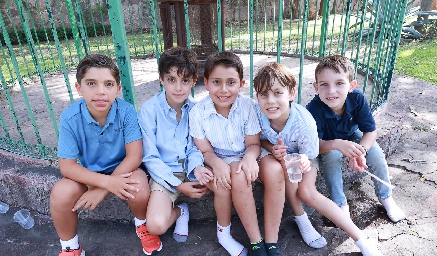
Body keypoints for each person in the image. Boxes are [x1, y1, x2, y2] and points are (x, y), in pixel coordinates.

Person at [253, 62, 383, 256]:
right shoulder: (256, 114)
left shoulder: (304, 121)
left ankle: (361, 240)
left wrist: (304, 159)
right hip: (277, 156)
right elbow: (260, 140)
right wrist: (274, 149)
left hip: (306, 153)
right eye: (263, 94)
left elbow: (311, 151)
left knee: (307, 191)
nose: (270, 101)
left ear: (291, 93)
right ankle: (302, 219)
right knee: (283, 168)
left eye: (277, 93)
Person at [50, 54, 150, 256]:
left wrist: (103, 188)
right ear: (79, 88)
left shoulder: (127, 111)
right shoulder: (70, 117)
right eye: (91, 84)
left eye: (109, 84)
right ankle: (70, 246)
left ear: (118, 89)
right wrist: (103, 183)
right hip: (89, 171)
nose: (101, 92)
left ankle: (143, 226)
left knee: (139, 188)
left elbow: (134, 156)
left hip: (124, 169)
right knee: (61, 194)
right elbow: (67, 167)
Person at [189, 52, 275, 256]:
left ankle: (263, 241)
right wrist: (216, 163)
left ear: (241, 83)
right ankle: (254, 240)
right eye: (216, 82)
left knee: (241, 172)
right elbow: (205, 150)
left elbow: (253, 144)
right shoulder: (198, 113)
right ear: (206, 83)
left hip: (246, 154)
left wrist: (249, 158)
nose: (224, 90)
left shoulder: (247, 107)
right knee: (232, 176)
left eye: (231, 82)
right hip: (217, 157)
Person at [306, 55, 406, 223]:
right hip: (327, 142)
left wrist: (361, 152)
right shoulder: (313, 109)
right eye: (324, 84)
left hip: (351, 134)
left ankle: (386, 197)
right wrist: (337, 144)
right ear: (316, 87)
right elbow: (314, 146)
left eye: (339, 83)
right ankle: (340, 205)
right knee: (332, 157)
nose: (331, 91)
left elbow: (370, 132)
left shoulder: (357, 98)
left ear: (351, 86)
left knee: (376, 153)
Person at [138, 47, 213, 254]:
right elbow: (150, 157)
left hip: (190, 170)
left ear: (194, 80)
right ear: (161, 79)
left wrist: (198, 168)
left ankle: (226, 232)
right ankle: (181, 211)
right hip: (164, 176)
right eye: (171, 80)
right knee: (155, 226)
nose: (178, 88)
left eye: (185, 80)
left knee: (222, 181)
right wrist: (179, 185)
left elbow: (195, 146)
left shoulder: (195, 109)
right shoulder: (149, 111)